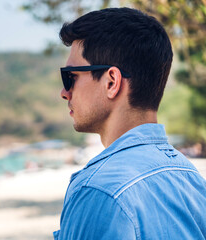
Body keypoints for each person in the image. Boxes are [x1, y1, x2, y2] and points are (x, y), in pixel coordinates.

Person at [54, 8, 206, 239]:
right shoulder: (191, 180)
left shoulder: (98, 191)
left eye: (70, 77)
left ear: (112, 82)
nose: (64, 92)